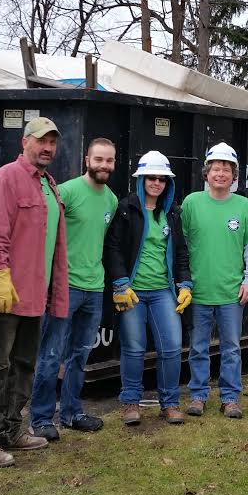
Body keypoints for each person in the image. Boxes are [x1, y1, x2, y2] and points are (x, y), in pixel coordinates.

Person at [0, 116, 68, 465]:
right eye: (41, 141)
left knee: (23, 364)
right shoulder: (5, 179)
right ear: (24, 142)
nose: (48, 148)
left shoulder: (48, 184)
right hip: (5, 293)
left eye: (52, 142)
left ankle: (11, 429)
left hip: (34, 295)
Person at [28, 138, 119, 440]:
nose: (104, 165)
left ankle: (71, 413)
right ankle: (40, 418)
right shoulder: (65, 192)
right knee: (51, 354)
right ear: (87, 160)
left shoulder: (111, 200)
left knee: (80, 354)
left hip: (94, 287)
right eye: (99, 159)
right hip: (64, 286)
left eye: (109, 161)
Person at [104, 150, 192, 425]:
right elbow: (113, 248)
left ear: (168, 183)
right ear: (141, 180)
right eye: (151, 178)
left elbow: (181, 253)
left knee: (172, 346)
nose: (156, 183)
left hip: (163, 292)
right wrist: (120, 283)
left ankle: (170, 403)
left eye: (162, 179)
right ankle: (131, 403)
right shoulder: (126, 209)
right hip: (133, 291)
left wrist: (185, 284)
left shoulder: (172, 213)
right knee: (134, 347)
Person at [180, 142, 248, 419]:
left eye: (226, 169)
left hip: (232, 291)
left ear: (234, 174)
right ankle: (198, 396)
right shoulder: (191, 203)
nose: (221, 174)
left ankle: (230, 398)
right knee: (199, 348)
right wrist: (184, 282)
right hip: (199, 290)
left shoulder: (245, 206)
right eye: (216, 168)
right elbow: (182, 244)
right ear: (207, 172)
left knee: (231, 348)